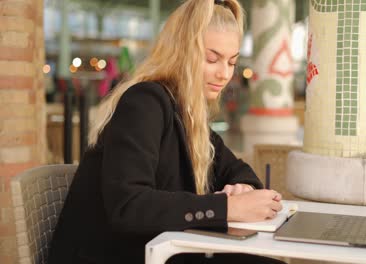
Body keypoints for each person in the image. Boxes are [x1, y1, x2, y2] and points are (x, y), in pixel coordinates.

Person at [48, 0, 285, 263]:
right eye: (212, 59)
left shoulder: (186, 113)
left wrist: (243, 189)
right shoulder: (144, 102)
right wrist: (228, 207)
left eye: (232, 62)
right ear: (181, 51)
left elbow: (235, 168)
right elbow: (130, 207)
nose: (224, 74)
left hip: (161, 252)